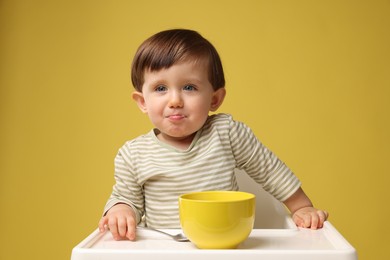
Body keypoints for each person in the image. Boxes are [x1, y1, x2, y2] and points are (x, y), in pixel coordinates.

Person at [98, 29, 329, 241]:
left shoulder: (226, 133)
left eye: (189, 87)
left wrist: (301, 207)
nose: (175, 101)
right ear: (142, 102)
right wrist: (120, 210)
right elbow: (126, 197)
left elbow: (270, 170)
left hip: (225, 244)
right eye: (160, 88)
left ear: (215, 99)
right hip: (165, 249)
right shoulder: (133, 154)